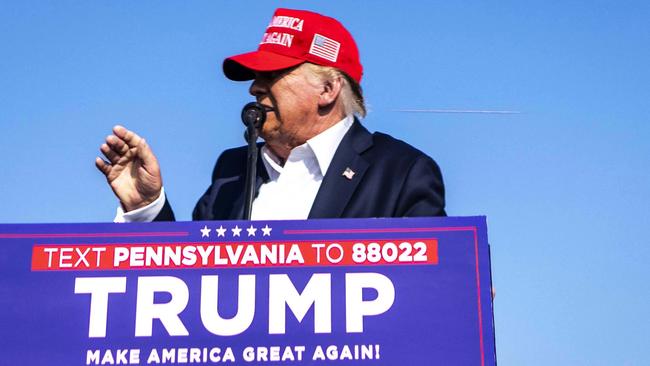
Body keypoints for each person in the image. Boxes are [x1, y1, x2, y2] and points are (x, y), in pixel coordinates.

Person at [96, 8, 446, 222]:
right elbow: (188, 285)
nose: (254, 89)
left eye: (272, 75)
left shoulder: (401, 171)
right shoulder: (231, 173)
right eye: (254, 78)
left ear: (327, 90)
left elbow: (433, 287)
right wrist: (145, 207)